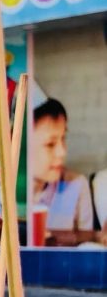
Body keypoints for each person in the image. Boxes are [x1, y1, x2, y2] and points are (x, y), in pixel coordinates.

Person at [31, 98, 93, 234]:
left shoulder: (77, 186)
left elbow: (86, 248)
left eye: (63, 138)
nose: (62, 152)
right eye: (50, 144)